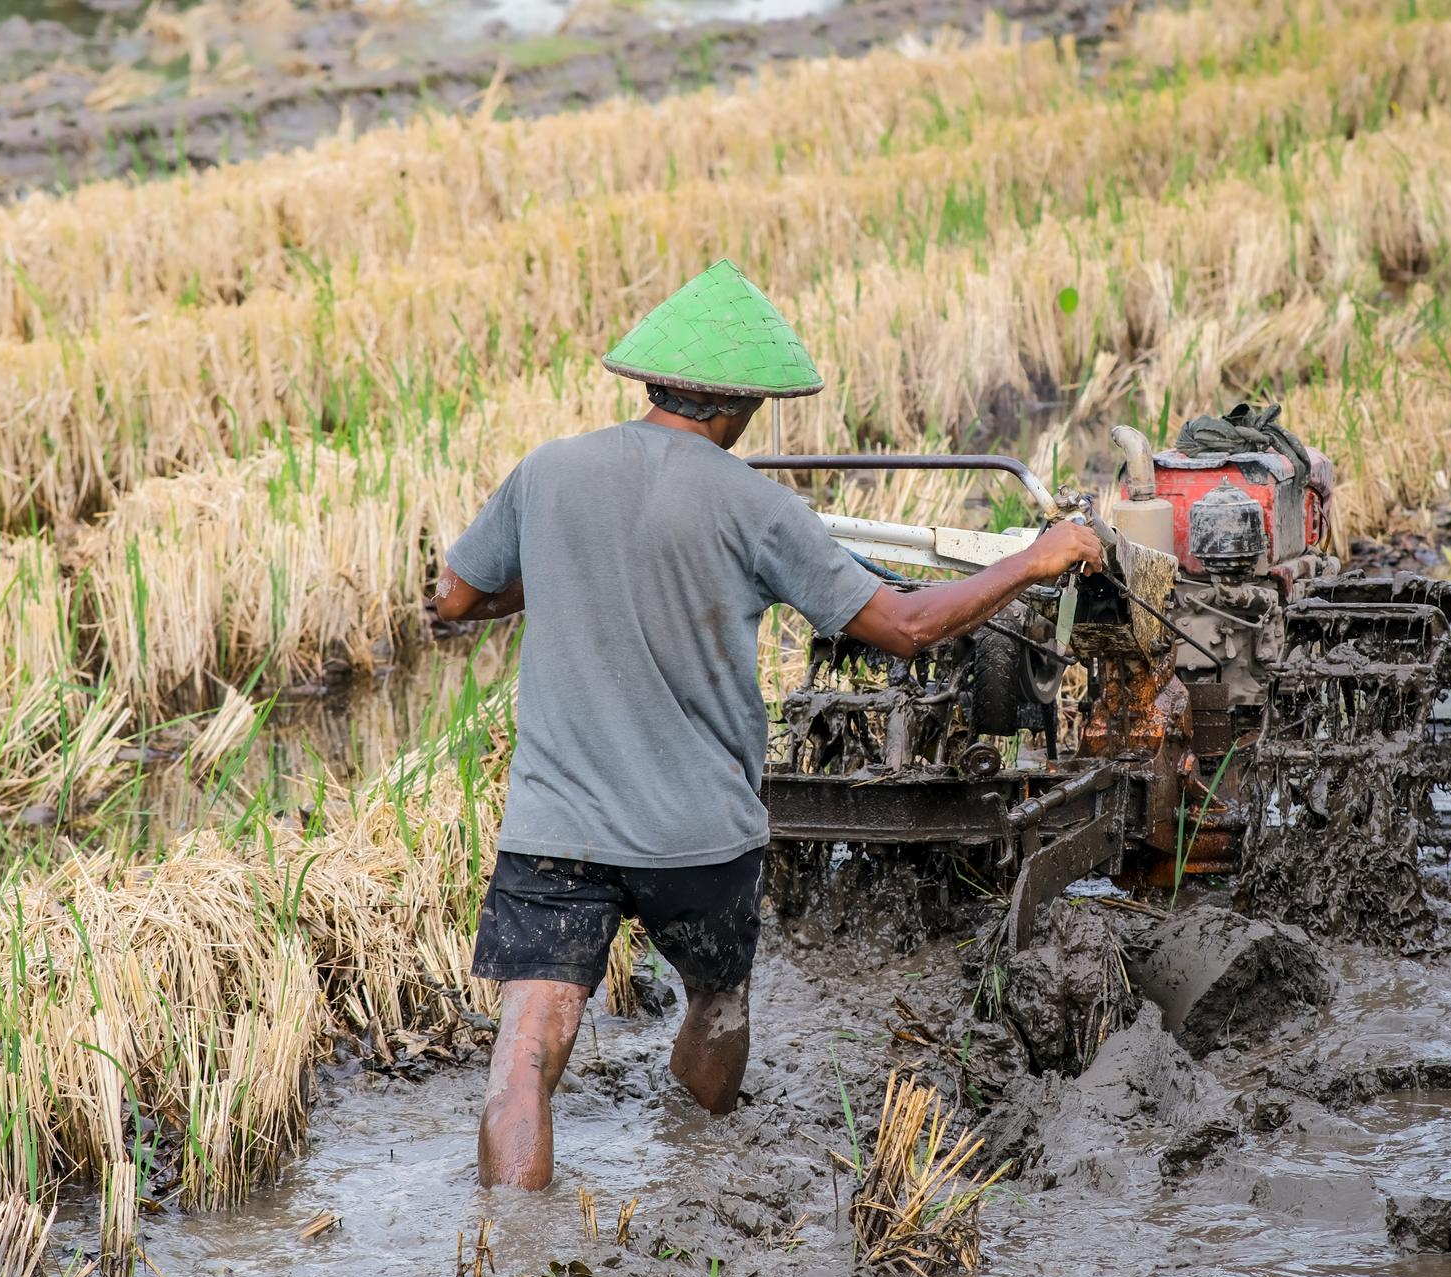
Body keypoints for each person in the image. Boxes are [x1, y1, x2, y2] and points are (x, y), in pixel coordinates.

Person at [432, 259, 1103, 1190]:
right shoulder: (757, 505)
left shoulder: (548, 470)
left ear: (650, 380)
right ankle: (702, 1176)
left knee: (528, 1045)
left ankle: (508, 1257)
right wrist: (1034, 560)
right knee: (716, 996)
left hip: (558, 828)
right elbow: (906, 627)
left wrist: (559, 573)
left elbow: (455, 596)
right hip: (696, 835)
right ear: (740, 408)